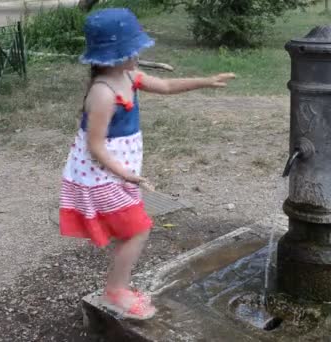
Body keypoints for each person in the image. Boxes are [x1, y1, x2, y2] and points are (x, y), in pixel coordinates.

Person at [58, 8, 235, 320]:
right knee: (137, 229)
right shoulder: (103, 93)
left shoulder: (128, 76)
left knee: (134, 229)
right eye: (132, 48)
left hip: (119, 174)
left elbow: (165, 86)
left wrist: (206, 81)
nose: (138, 52)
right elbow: (95, 145)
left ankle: (116, 287)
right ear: (112, 55)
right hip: (100, 176)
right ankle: (114, 292)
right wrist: (127, 174)